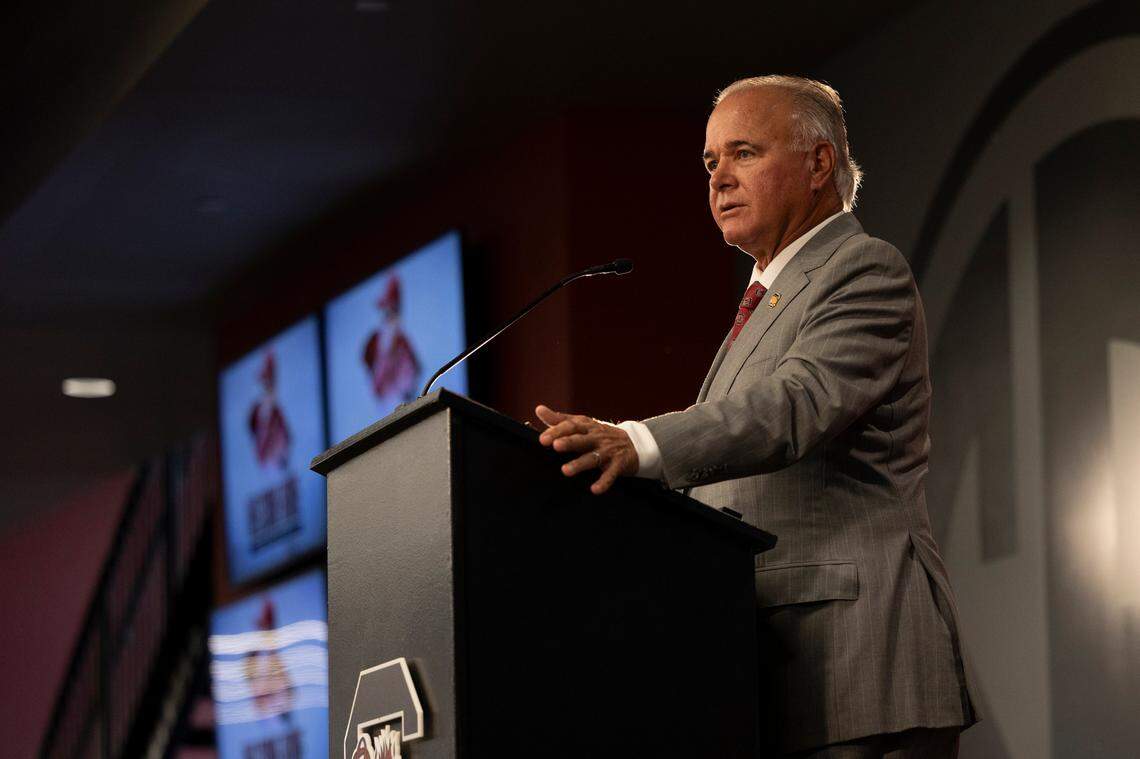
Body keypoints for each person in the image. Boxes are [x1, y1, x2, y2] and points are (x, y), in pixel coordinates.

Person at [536, 75, 978, 758]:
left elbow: (793, 406)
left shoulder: (863, 269)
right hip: (779, 674)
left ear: (818, 164)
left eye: (744, 153)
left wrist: (639, 442)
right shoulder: (766, 301)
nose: (719, 180)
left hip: (863, 667)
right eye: (710, 162)